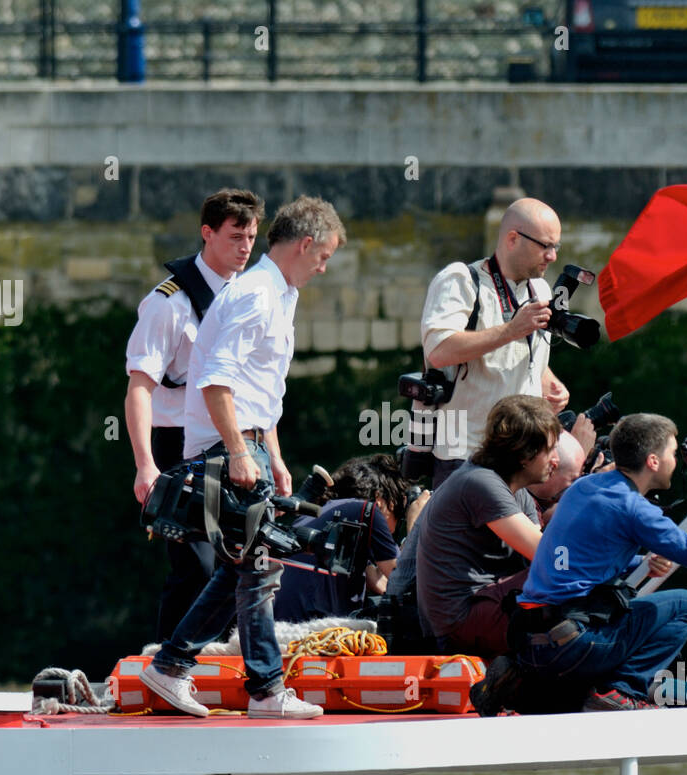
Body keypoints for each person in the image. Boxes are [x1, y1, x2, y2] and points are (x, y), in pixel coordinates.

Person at [140, 196, 345, 720]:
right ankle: (259, 688)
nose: (324, 267)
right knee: (258, 565)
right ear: (305, 245)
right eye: (324, 256)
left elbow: (260, 389)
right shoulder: (257, 296)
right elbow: (215, 381)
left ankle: (178, 668)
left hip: (249, 438)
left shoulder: (278, 294)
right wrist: (237, 451)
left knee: (246, 568)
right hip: (228, 443)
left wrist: (272, 456)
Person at [473, 413, 687, 715]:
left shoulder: (585, 487)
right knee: (686, 605)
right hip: (572, 644)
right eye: (672, 452)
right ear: (653, 461)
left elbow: (577, 556)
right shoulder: (634, 508)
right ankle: (622, 691)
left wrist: (641, 562)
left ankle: (519, 682)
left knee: (566, 695)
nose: (677, 458)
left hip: (529, 641)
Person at [125, 188, 264, 642]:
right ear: (207, 234)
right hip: (176, 443)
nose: (246, 248)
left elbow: (257, 383)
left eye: (252, 238)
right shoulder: (168, 304)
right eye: (235, 236)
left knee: (236, 565)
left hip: (228, 443)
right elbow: (139, 389)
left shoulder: (245, 296)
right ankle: (167, 665)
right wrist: (146, 464)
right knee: (196, 567)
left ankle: (212, 666)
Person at [419, 197, 571, 488]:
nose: (552, 256)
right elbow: (438, 352)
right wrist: (511, 330)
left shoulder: (539, 289)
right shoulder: (461, 280)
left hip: (520, 455)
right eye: (545, 246)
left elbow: (531, 360)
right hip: (464, 453)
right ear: (513, 238)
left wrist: (550, 384)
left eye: (556, 247)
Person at [415, 395, 560, 660]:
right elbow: (550, 556)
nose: (556, 460)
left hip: (482, 607)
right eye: (550, 450)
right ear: (525, 455)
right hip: (461, 620)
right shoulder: (480, 483)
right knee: (569, 574)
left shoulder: (515, 491)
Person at [274, 455, 412, 623]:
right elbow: (403, 577)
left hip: (285, 620)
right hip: (314, 627)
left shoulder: (326, 514)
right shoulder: (368, 511)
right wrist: (416, 525)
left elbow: (379, 583)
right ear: (380, 500)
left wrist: (406, 543)